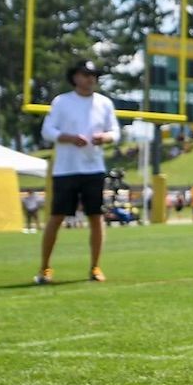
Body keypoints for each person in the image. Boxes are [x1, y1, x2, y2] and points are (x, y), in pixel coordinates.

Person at [36, 60, 119, 284]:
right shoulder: (62, 102)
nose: (90, 79)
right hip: (66, 169)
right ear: (75, 77)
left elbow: (115, 131)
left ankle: (95, 266)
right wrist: (70, 138)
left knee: (95, 217)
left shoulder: (104, 103)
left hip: (93, 167)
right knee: (56, 217)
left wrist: (105, 137)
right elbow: (48, 131)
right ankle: (44, 267)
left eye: (93, 75)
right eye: (85, 74)